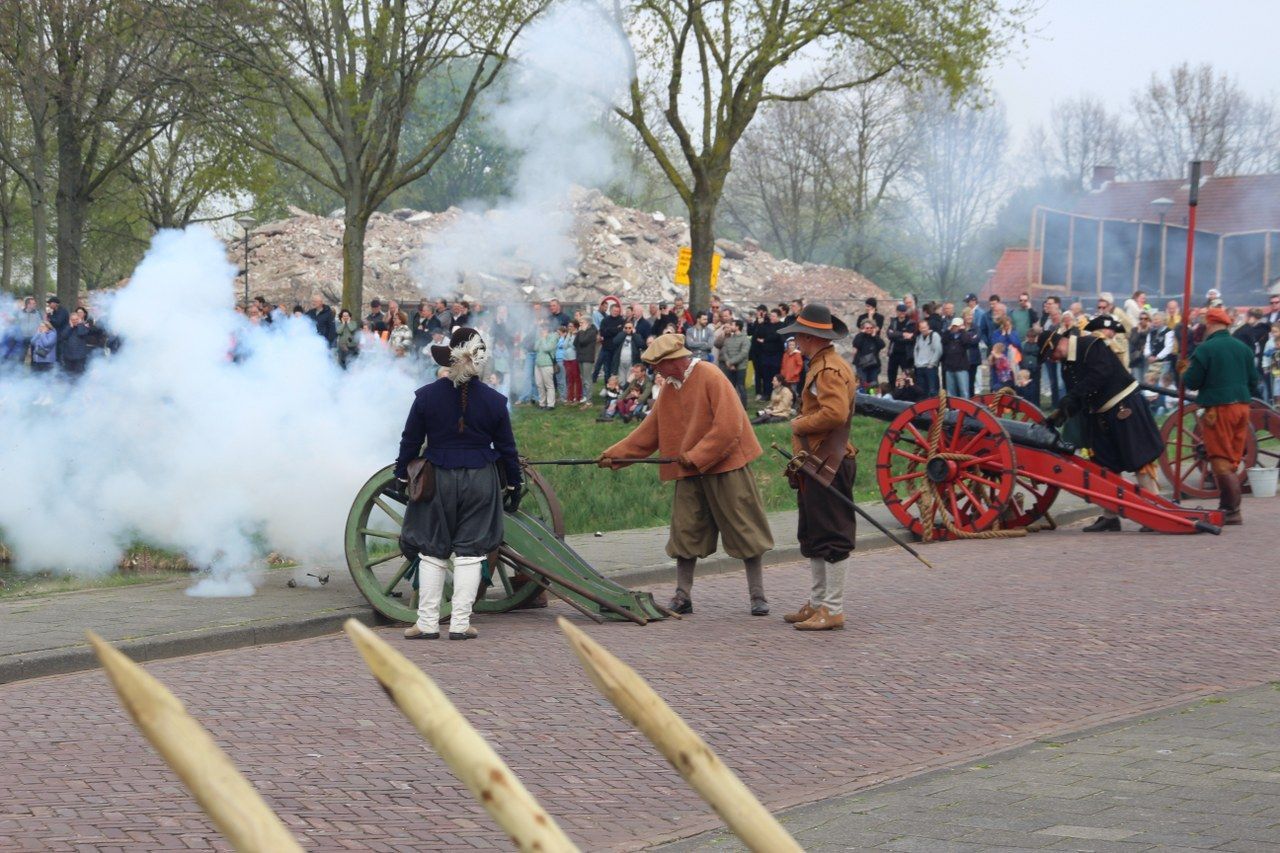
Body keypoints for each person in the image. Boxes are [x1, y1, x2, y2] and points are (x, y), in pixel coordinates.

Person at [598, 333, 774, 616]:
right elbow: (650, 431)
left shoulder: (711, 376)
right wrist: (615, 455)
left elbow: (729, 427)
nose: (655, 370)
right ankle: (682, 596)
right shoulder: (670, 387)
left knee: (745, 529)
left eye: (658, 365)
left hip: (726, 466)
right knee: (685, 531)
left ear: (674, 361)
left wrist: (696, 455)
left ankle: (758, 596)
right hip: (690, 470)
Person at [395, 327, 521, 641]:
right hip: (480, 480)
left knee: (432, 550)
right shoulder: (495, 401)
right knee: (471, 551)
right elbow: (507, 449)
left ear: (450, 359)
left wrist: (401, 474)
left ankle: (427, 624)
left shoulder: (426, 397)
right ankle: (460, 624)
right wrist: (513, 484)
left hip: (437, 477)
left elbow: (410, 441)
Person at [775, 304, 856, 632]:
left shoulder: (827, 370)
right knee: (815, 534)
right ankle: (819, 602)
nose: (795, 341)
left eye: (798, 335)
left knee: (831, 536)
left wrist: (800, 424)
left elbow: (835, 413)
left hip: (828, 462)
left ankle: (832, 609)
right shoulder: (825, 364)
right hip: (818, 461)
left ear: (810, 337)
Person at [1040, 326, 1163, 531]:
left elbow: (1100, 374)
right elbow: (1077, 398)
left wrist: (1073, 396)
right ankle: (1110, 515)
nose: (1052, 359)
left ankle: (1156, 510)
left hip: (1124, 406)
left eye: (1051, 353)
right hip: (1101, 415)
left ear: (1057, 343)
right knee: (1105, 465)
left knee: (1140, 458)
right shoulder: (1066, 366)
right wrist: (1060, 414)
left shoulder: (1091, 345)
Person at [1179, 306, 1262, 525]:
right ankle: (1228, 507)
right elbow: (1254, 381)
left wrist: (1183, 370)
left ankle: (1231, 510)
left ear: (1211, 324)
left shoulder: (1206, 349)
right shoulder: (1243, 349)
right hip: (1242, 408)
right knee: (1232, 458)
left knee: (1219, 459)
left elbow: (1192, 381)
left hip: (1219, 409)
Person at [718, 318, 750, 407]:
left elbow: (743, 353)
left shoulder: (745, 339)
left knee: (741, 387)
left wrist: (731, 362)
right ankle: (731, 406)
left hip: (741, 367)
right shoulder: (729, 339)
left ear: (737, 327)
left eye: (732, 325)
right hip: (730, 367)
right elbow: (724, 350)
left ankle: (743, 407)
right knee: (730, 387)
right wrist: (728, 362)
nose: (730, 327)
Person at [941, 317, 973, 398]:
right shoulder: (949, 336)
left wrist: (962, 331)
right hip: (949, 367)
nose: (955, 328)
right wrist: (948, 331)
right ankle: (952, 406)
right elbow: (943, 340)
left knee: (964, 391)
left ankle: (965, 405)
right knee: (950, 392)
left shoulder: (965, 335)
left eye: (957, 326)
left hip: (961, 368)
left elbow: (966, 342)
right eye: (954, 326)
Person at [885, 303, 915, 386]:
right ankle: (892, 389)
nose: (902, 313)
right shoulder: (893, 321)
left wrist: (895, 334)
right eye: (900, 311)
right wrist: (903, 334)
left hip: (905, 354)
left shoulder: (910, 323)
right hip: (894, 352)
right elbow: (889, 335)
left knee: (906, 374)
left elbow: (910, 338)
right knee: (891, 373)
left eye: (903, 311)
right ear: (897, 312)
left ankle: (907, 390)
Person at [574, 311, 599, 407]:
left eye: (582, 322)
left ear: (587, 323)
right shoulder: (582, 331)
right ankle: (586, 398)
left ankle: (589, 401)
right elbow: (575, 343)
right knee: (583, 379)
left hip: (587, 358)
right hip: (581, 357)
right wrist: (580, 332)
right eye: (580, 323)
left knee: (587, 380)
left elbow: (582, 341)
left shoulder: (592, 331)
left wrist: (581, 332)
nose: (580, 324)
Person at [851, 320, 885, 390]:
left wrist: (874, 336)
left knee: (873, 385)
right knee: (863, 384)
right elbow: (856, 344)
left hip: (873, 365)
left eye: (871, 328)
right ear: (863, 328)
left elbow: (882, 345)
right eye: (867, 328)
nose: (869, 329)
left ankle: (872, 395)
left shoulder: (875, 337)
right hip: (861, 364)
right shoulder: (860, 336)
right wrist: (862, 333)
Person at [912, 318, 941, 396]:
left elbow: (938, 350)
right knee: (921, 391)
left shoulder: (934, 336)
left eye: (924, 327)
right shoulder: (919, 337)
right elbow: (916, 350)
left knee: (932, 390)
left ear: (928, 327)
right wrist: (916, 363)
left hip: (930, 367)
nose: (923, 329)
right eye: (921, 328)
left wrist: (932, 364)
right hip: (919, 367)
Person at [533, 322, 558, 409]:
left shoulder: (554, 336)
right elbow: (535, 348)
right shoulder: (540, 336)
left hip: (547, 364)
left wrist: (543, 338)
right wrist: (540, 338)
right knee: (539, 384)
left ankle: (551, 404)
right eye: (541, 328)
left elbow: (547, 348)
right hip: (538, 364)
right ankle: (542, 403)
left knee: (549, 385)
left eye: (543, 328)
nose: (541, 330)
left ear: (547, 329)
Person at [563, 321, 582, 404]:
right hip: (566, 359)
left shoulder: (577, 335)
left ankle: (578, 397)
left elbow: (573, 346)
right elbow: (564, 346)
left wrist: (573, 336)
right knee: (569, 379)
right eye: (568, 326)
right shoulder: (568, 335)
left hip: (574, 359)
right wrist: (568, 336)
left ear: (575, 327)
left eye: (571, 326)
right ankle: (570, 397)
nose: (569, 328)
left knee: (576, 378)